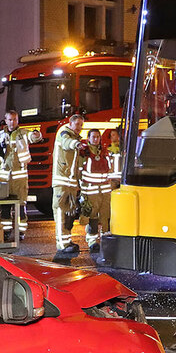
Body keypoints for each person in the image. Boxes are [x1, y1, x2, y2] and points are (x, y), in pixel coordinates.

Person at [0, 109, 40, 240]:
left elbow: (34, 137)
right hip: (4, 177)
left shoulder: (23, 133)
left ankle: (21, 231)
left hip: (20, 176)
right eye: (10, 119)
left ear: (18, 120)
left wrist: (37, 134)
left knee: (21, 205)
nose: (12, 122)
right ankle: (5, 231)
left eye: (14, 119)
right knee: (5, 205)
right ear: (5, 120)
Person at [52, 109, 86, 254]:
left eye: (81, 124)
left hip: (70, 182)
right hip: (62, 181)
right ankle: (61, 244)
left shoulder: (76, 137)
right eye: (77, 124)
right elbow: (66, 143)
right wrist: (76, 145)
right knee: (60, 212)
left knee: (68, 214)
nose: (79, 127)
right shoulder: (64, 133)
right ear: (70, 123)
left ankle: (66, 241)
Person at [80, 128, 113, 252]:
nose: (96, 139)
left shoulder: (105, 152)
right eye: (93, 137)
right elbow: (79, 172)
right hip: (91, 190)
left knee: (106, 215)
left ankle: (105, 239)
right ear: (88, 138)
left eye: (97, 137)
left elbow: (110, 170)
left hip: (105, 190)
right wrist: (82, 192)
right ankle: (92, 240)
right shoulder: (84, 153)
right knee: (92, 216)